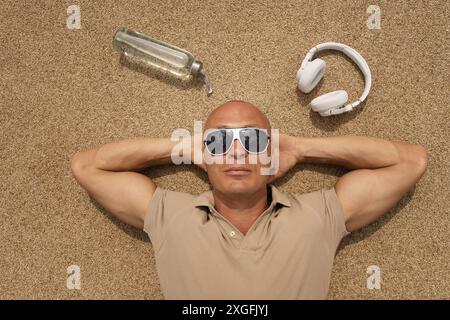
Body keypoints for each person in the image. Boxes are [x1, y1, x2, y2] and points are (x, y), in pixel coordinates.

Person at [70, 100, 428, 299]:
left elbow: (410, 162)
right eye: (219, 142)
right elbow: (86, 166)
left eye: (254, 141)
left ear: (270, 155)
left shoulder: (318, 215)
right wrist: (182, 147)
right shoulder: (170, 214)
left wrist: (302, 148)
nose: (237, 152)